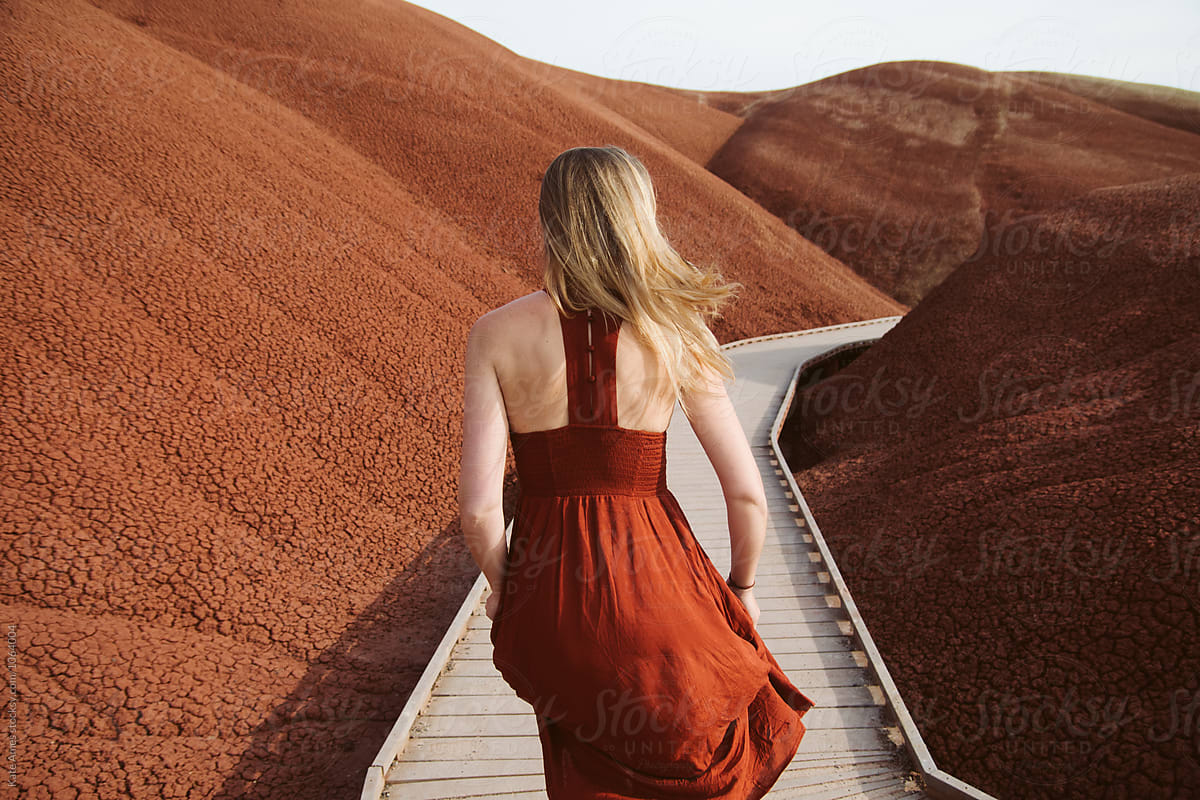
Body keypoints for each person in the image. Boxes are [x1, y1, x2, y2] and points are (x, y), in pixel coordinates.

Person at [458, 145, 816, 799]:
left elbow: (481, 511)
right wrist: (744, 586)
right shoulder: (678, 330)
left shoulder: (495, 333)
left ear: (552, 222)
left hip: (550, 590)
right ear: (639, 217)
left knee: (578, 761)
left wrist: (509, 594)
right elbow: (745, 494)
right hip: (660, 575)